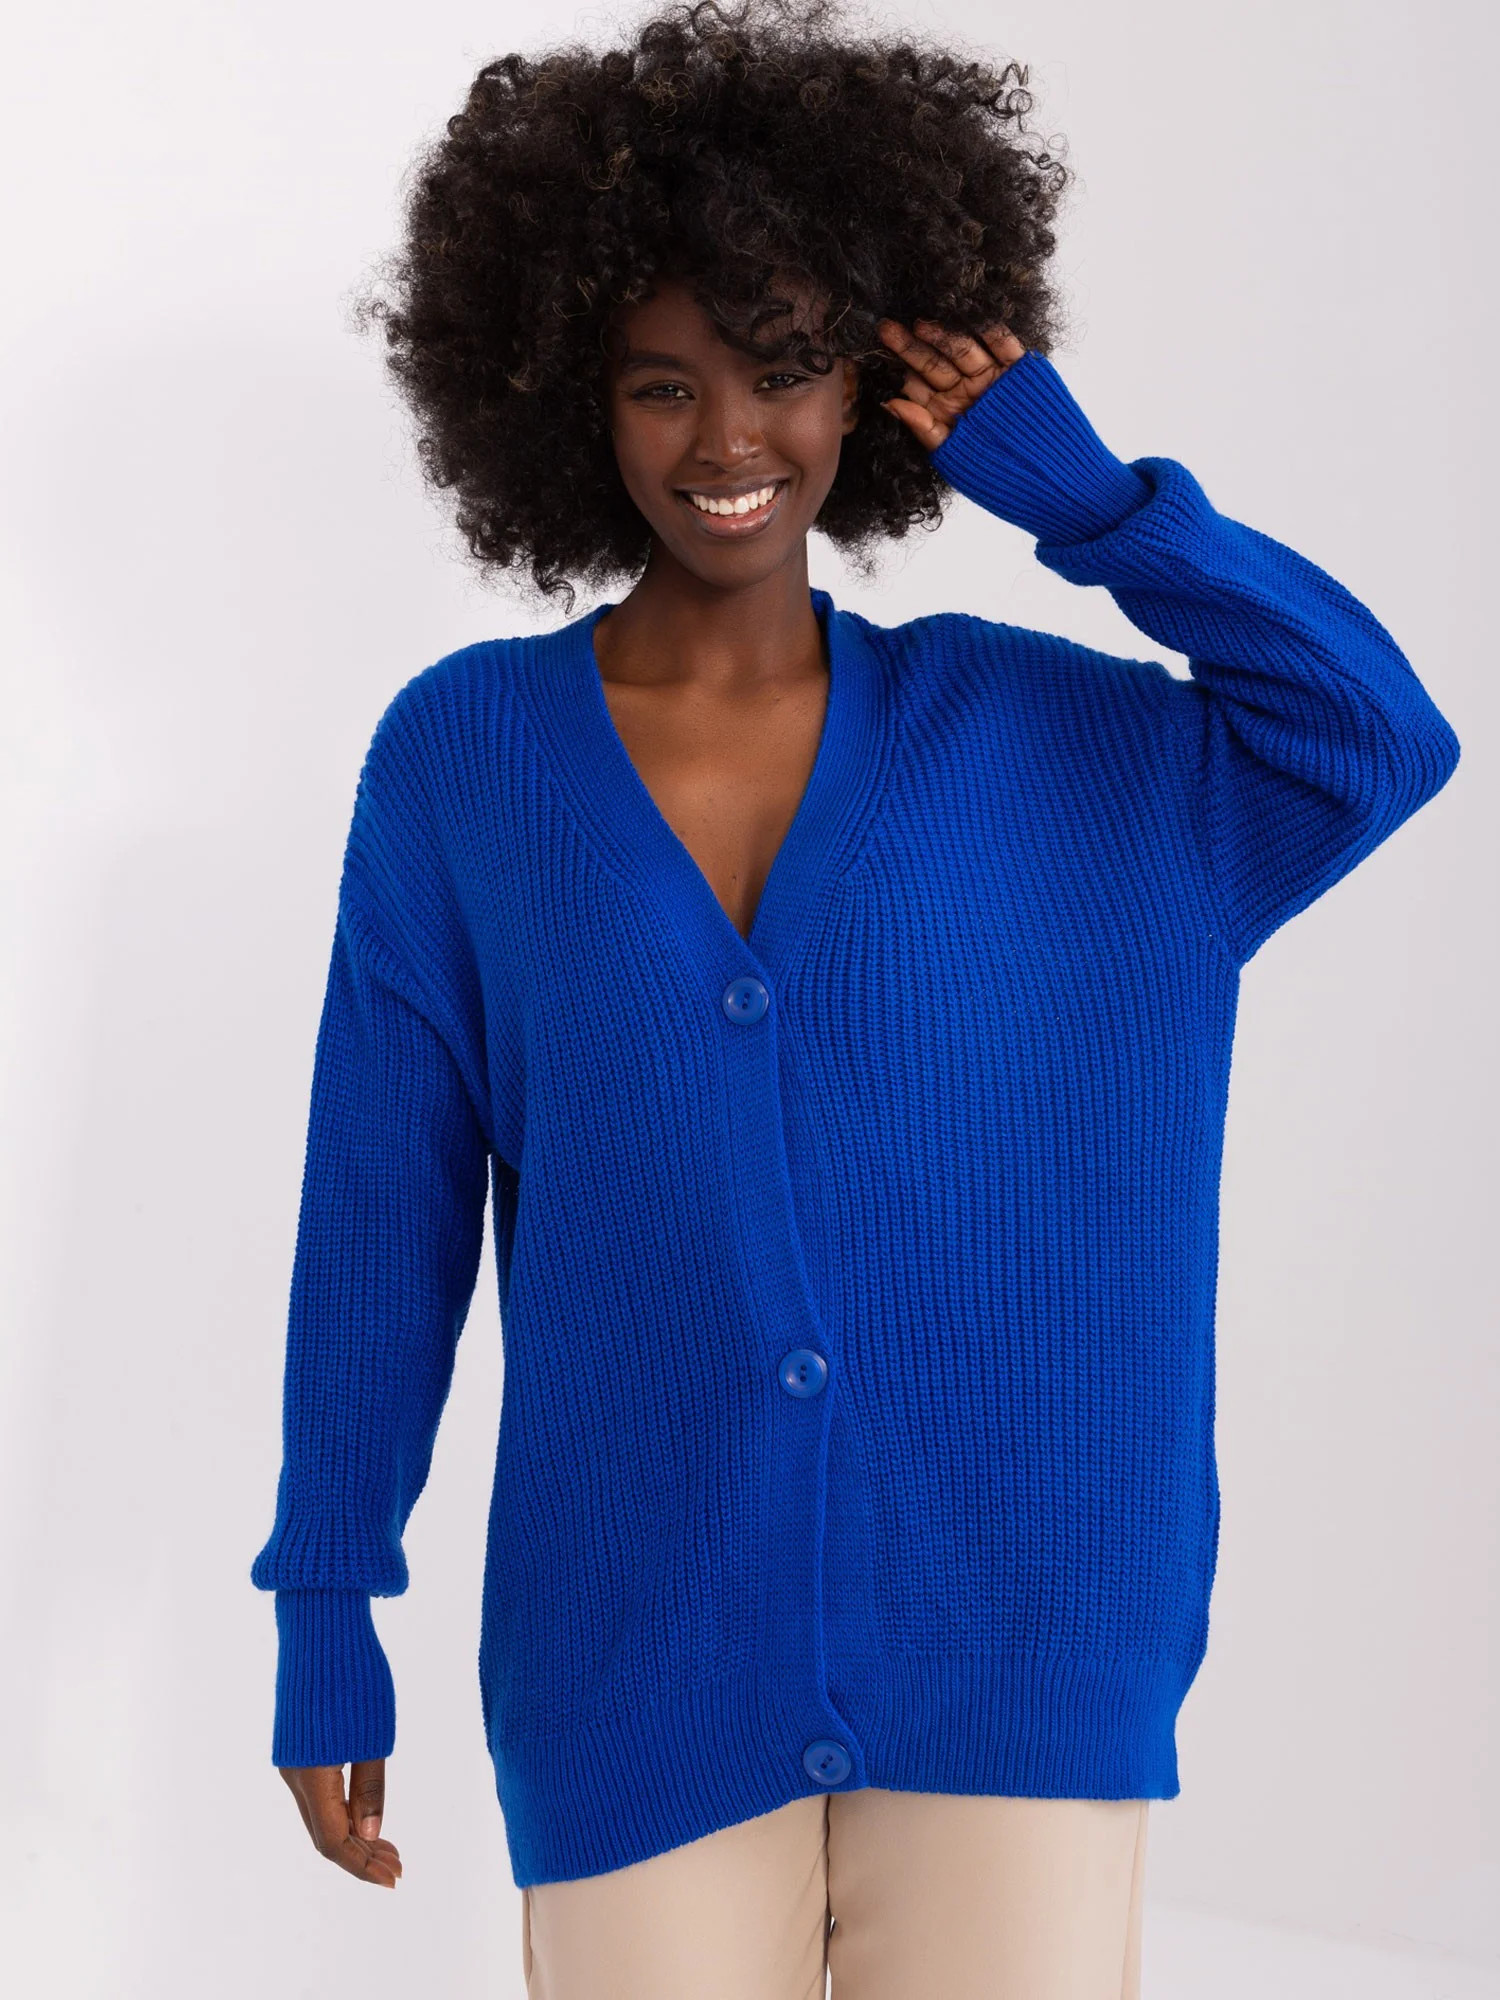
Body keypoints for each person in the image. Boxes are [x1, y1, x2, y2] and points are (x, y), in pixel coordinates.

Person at [247, 2, 1461, 1994]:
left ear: (874, 382)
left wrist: (1085, 498)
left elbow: (1375, 737)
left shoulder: (1068, 751)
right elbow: (380, 1219)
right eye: (663, 384)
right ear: (564, 400)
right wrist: (325, 1604)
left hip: (1023, 1646)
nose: (729, 440)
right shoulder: (467, 762)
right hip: (634, 1657)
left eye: (787, 365)